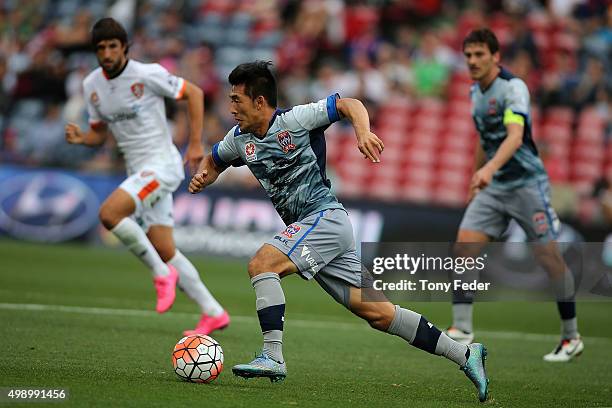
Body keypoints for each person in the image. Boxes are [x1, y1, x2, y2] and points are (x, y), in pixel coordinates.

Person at [189, 61, 489, 402]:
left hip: (324, 219)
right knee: (379, 313)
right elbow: (215, 160)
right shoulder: (239, 141)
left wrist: (362, 131)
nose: (230, 108)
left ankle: (273, 356)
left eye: (237, 100)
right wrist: (204, 176)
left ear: (260, 102)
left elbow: (350, 104)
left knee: (263, 264)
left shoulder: (295, 120)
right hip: (319, 232)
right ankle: (466, 355)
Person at [65, 18, 229, 336]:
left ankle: (160, 274)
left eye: (113, 46)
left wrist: (195, 143)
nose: (108, 52)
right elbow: (99, 135)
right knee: (165, 247)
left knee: (109, 213)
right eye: (101, 48)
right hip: (137, 170)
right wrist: (81, 138)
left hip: (162, 165)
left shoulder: (146, 74)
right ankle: (214, 311)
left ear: (124, 48)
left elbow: (193, 93)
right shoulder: (91, 87)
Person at [445, 29, 583, 362]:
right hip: (494, 188)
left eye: (479, 55)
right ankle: (462, 328)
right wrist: (475, 178)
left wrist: (489, 170)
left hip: (525, 185)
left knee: (549, 259)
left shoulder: (513, 88)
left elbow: (515, 137)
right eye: (468, 55)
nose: (473, 61)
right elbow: (483, 136)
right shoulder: (474, 92)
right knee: (464, 246)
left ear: (495, 56)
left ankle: (571, 337)